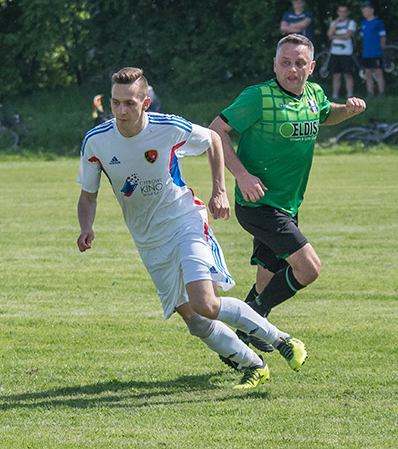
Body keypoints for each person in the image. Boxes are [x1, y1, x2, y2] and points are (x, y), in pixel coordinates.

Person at [77, 67, 308, 390]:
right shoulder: (97, 141)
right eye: (116, 103)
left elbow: (214, 138)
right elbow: (88, 195)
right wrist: (86, 226)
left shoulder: (167, 127)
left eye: (129, 103)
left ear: (145, 103)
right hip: (147, 239)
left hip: (185, 221)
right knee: (195, 321)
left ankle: (282, 340)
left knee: (206, 303)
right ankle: (252, 364)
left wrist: (220, 190)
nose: (121, 111)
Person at [209, 34, 366, 367]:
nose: (291, 70)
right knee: (309, 268)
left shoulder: (314, 94)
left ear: (310, 67)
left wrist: (346, 112)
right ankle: (258, 323)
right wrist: (242, 175)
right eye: (285, 62)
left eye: (299, 63)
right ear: (274, 65)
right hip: (257, 205)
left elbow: (326, 114)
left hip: (288, 205)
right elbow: (215, 131)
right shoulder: (258, 97)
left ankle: (237, 344)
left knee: (268, 274)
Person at [326, 4, 357, 100]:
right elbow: (329, 34)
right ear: (338, 12)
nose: (342, 14)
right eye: (340, 11)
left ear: (348, 13)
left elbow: (347, 36)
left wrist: (334, 37)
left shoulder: (351, 23)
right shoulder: (334, 23)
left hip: (346, 53)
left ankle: (350, 95)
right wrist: (336, 22)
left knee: (347, 74)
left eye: (344, 11)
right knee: (336, 75)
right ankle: (335, 95)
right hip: (335, 53)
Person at [359, 1, 386, 97]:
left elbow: (383, 37)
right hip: (366, 52)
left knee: (378, 72)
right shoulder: (363, 23)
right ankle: (370, 93)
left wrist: (381, 49)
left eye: (366, 9)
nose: (364, 11)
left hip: (376, 52)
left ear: (371, 10)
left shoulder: (378, 23)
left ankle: (381, 92)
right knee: (367, 72)